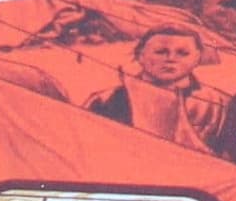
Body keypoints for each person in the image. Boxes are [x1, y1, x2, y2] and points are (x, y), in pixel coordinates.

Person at [88, 22, 226, 149]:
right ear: (140, 56)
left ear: (197, 58)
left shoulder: (215, 103)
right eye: (161, 52)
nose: (171, 59)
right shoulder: (107, 99)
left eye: (182, 53)